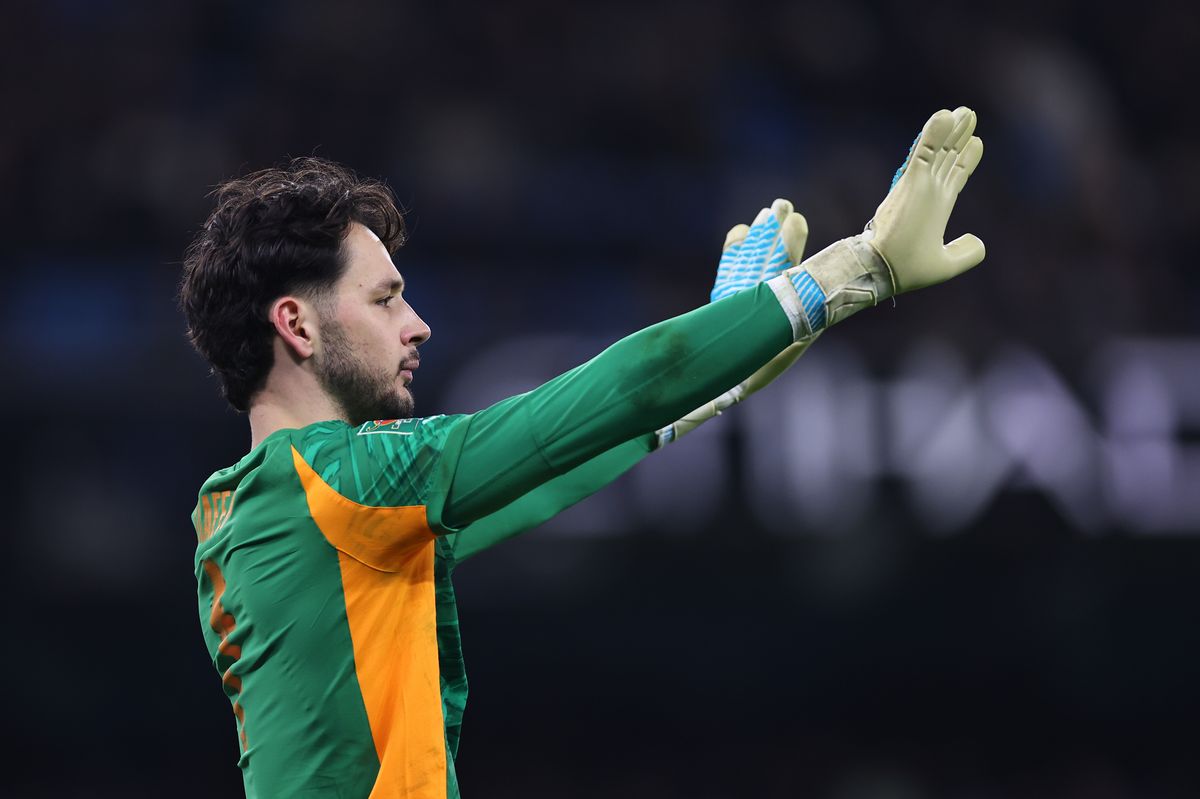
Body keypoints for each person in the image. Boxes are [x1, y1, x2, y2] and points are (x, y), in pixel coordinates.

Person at [181, 107, 985, 798]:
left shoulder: (245, 512)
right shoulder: (341, 481)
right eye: (385, 299)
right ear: (297, 325)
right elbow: (618, 389)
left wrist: (717, 371)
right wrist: (855, 269)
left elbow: (548, 472)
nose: (416, 324)